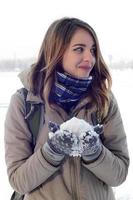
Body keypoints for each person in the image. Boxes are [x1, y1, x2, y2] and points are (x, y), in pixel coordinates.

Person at [4, 17, 129, 200]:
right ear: (55, 52)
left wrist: (94, 151)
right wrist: (52, 151)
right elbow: (19, 181)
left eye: (93, 50)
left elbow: (119, 174)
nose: (90, 58)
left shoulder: (104, 101)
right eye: (79, 49)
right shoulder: (25, 103)